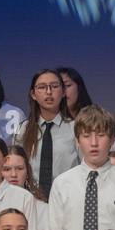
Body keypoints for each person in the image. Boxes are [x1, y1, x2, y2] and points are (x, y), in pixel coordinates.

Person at [16, 70, 78, 200]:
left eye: (54, 86)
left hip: (68, 199)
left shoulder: (75, 128)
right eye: (42, 87)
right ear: (33, 94)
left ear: (63, 92)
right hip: (30, 200)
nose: (49, 92)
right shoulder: (24, 129)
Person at [2, 143, 49, 230]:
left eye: (19, 168)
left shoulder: (44, 210)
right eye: (7, 169)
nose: (13, 174)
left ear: (27, 172)